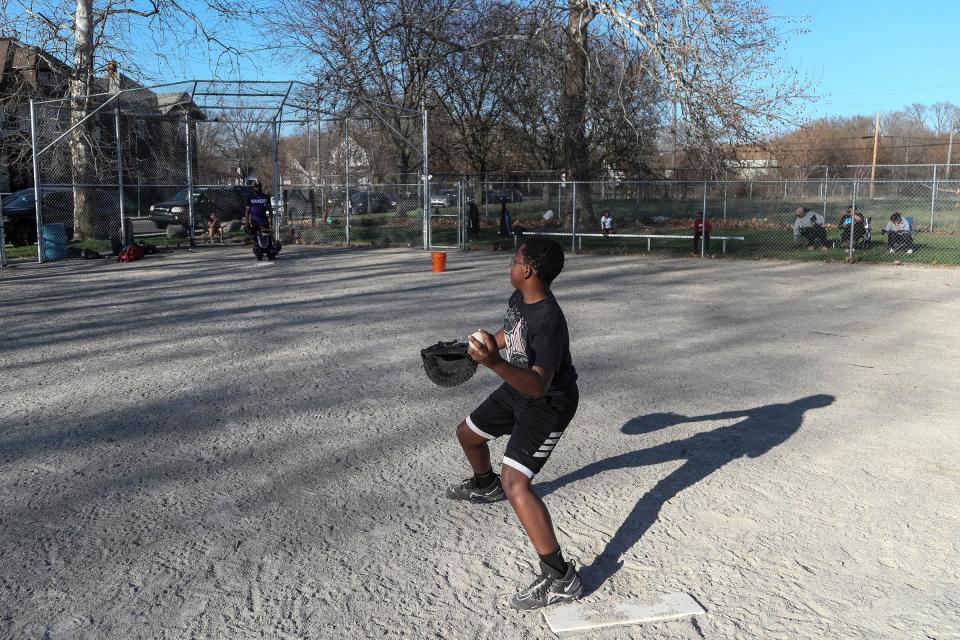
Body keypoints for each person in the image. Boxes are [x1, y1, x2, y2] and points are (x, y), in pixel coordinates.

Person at [448, 236, 582, 610]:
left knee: (517, 482)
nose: (511, 262)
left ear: (527, 270)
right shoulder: (519, 300)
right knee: (468, 434)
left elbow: (539, 385)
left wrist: (495, 364)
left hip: (548, 403)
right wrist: (480, 349)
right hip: (517, 384)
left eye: (515, 258)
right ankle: (485, 485)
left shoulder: (550, 321)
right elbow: (512, 334)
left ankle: (561, 576)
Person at [245, 181, 276, 261]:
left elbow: (270, 210)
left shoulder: (266, 197)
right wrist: (247, 222)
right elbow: (247, 211)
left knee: (267, 236)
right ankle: (257, 249)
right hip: (254, 221)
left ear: (261, 187)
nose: (257, 188)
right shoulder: (250, 197)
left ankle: (270, 250)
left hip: (264, 221)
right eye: (256, 186)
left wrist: (271, 220)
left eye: (259, 186)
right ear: (254, 187)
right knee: (253, 236)